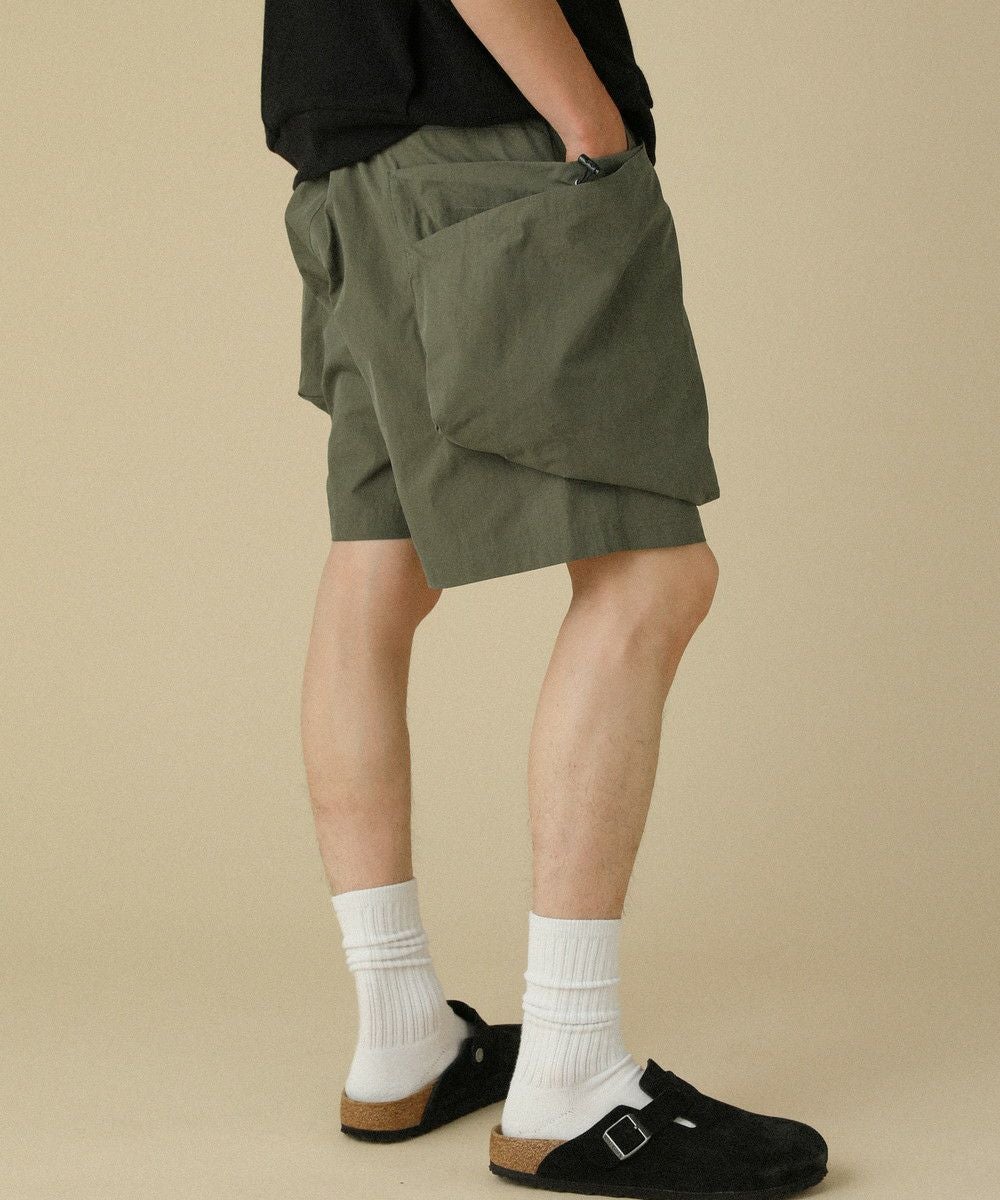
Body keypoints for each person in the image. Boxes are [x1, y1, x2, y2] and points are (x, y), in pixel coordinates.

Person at [261, 2, 828, 1196]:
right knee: (653, 573)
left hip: (349, 178)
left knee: (379, 564)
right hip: (491, 156)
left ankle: (400, 1031)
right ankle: (571, 1073)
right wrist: (591, 127)